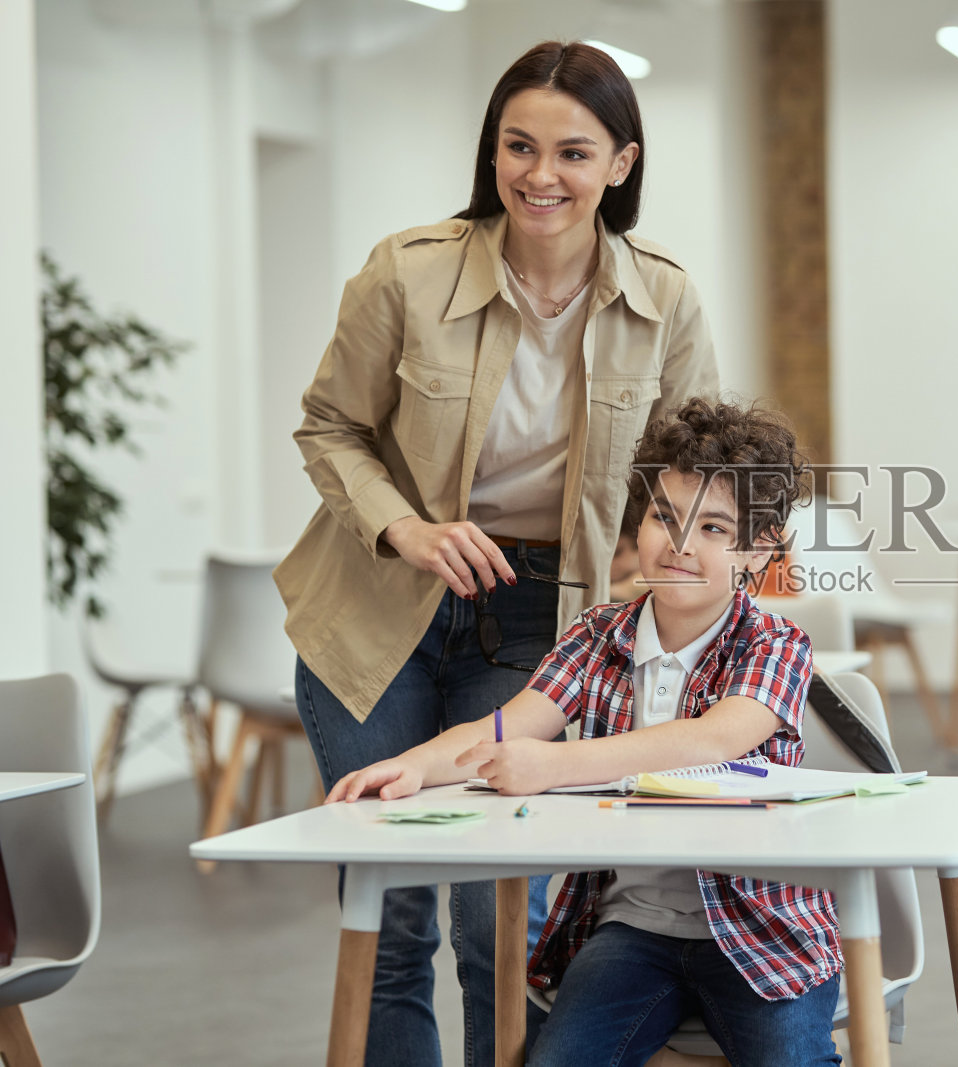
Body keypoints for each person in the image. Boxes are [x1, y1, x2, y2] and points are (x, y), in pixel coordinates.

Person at [274, 41, 718, 1067]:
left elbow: (686, 471)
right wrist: (409, 526)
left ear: (621, 163)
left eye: (572, 151)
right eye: (519, 146)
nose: (540, 174)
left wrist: (649, 569)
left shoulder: (665, 300)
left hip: (536, 619)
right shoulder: (409, 270)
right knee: (388, 912)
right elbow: (328, 426)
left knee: (494, 914)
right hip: (371, 607)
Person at [326, 398, 843, 1067]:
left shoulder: (775, 642)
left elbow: (710, 741)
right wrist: (415, 767)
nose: (680, 544)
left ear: (758, 548)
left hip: (765, 932)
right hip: (633, 931)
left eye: (714, 527)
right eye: (664, 516)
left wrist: (553, 765)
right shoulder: (598, 633)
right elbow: (503, 724)